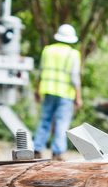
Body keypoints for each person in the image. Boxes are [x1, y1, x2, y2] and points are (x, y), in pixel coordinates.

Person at [33, 24, 83, 160]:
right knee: (62, 123)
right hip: (65, 94)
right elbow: (75, 77)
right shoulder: (73, 54)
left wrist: (37, 90)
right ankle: (57, 152)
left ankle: (37, 149)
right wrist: (78, 97)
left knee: (44, 121)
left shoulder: (48, 50)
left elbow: (41, 72)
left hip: (48, 91)